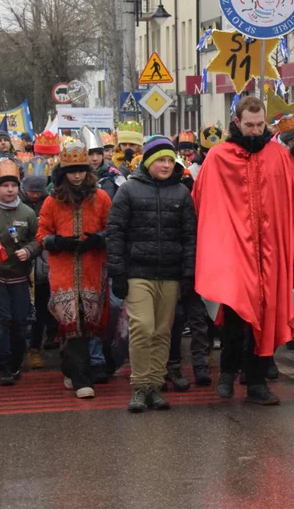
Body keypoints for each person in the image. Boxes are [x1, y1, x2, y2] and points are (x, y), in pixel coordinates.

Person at [193, 97, 294, 406]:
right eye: (249, 125)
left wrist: (290, 242)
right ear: (236, 122)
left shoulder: (280, 156)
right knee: (235, 315)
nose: (255, 130)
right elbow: (203, 204)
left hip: (271, 252)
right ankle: (227, 373)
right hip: (234, 251)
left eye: (260, 125)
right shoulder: (219, 158)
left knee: (268, 316)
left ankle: (258, 380)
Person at [106, 136, 196, 413]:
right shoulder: (129, 190)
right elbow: (115, 232)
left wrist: (189, 273)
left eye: (170, 159)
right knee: (142, 327)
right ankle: (140, 385)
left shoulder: (182, 193)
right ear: (148, 162)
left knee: (161, 331)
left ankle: (155, 386)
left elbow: (190, 236)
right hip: (137, 272)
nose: (167, 165)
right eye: (161, 160)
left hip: (169, 274)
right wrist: (118, 272)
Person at [35, 139, 112, 399]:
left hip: (92, 267)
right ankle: (82, 379)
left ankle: (70, 367)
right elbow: (42, 234)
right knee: (71, 320)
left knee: (86, 320)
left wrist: (99, 238)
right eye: (71, 171)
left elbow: (112, 228)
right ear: (63, 173)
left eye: (80, 170)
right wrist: (57, 241)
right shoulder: (52, 201)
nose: (77, 175)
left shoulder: (100, 197)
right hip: (63, 270)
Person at [0, 159, 41, 386]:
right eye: (4, 185)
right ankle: (3, 367)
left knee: (20, 322)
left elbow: (39, 239)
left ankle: (16, 363)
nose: (9, 190)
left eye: (13, 185)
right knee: (1, 321)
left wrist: (29, 250)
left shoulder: (27, 212)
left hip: (20, 276)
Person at [22, 169, 54, 370]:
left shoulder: (49, 202)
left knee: (40, 309)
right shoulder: (16, 202)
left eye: (38, 191)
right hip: (20, 263)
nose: (34, 195)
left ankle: (35, 347)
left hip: (44, 262)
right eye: (30, 191)